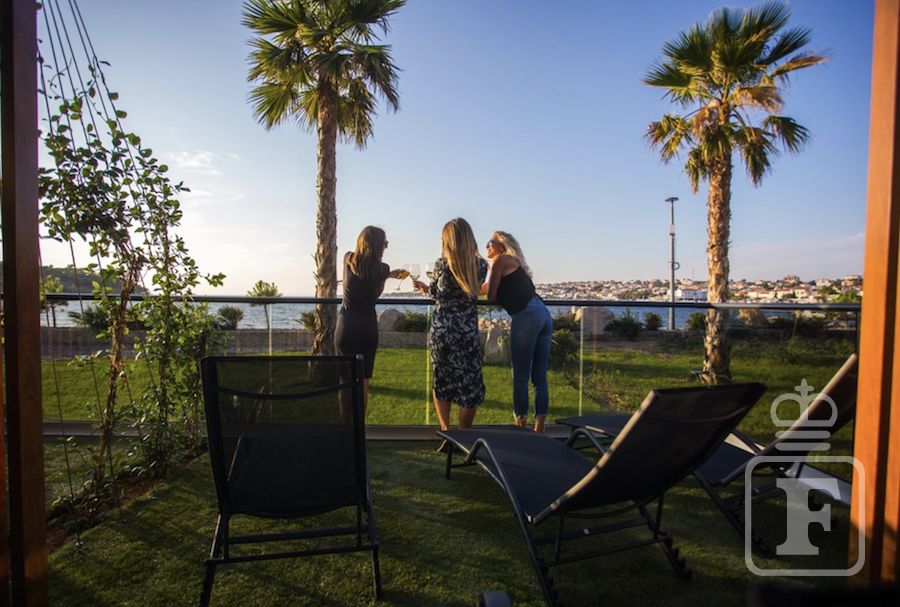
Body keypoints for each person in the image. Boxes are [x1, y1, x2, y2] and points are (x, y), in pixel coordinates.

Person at [412, 218, 488, 431]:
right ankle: (464, 435)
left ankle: (446, 432)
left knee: (442, 382)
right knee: (470, 386)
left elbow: (437, 293)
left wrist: (425, 288)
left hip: (443, 332)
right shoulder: (481, 266)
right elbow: (472, 290)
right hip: (467, 333)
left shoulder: (441, 265)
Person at [483, 231, 552, 432]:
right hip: (543, 314)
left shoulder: (500, 260)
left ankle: (520, 427)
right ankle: (539, 428)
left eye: (490, 242)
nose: (487, 246)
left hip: (526, 316)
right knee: (539, 376)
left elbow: (490, 296)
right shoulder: (513, 263)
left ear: (501, 245)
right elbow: (484, 287)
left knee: (521, 376)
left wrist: (497, 293)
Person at [335, 226, 407, 412]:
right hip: (366, 329)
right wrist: (386, 275)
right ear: (377, 245)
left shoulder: (348, 258)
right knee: (363, 383)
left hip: (346, 327)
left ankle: (345, 425)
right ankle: (359, 427)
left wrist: (386, 274)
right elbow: (375, 294)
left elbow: (361, 273)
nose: (386, 247)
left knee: (345, 382)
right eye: (385, 243)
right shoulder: (382, 269)